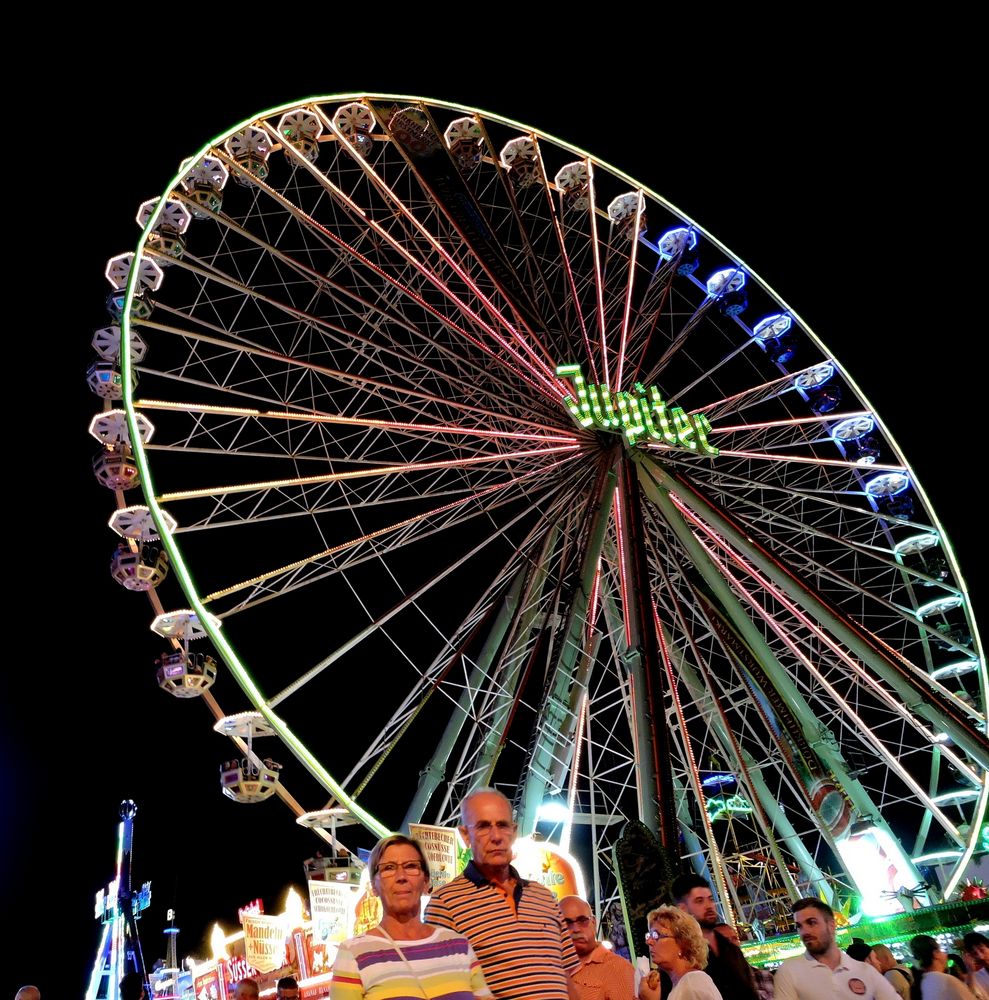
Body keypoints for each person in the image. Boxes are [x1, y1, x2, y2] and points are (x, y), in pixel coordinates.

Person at [425, 787, 581, 1000]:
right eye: (483, 827)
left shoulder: (544, 897)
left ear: (514, 831)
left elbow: (564, 978)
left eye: (503, 825)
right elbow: (443, 989)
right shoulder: (445, 903)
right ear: (465, 835)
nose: (496, 836)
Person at [331, 833, 491, 999]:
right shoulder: (353, 954)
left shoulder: (459, 946)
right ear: (374, 886)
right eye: (388, 868)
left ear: (426, 881)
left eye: (411, 866)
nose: (401, 877)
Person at [773, 897, 899, 1000]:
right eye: (799, 926)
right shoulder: (789, 971)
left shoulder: (865, 971)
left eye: (811, 922)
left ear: (831, 925)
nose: (804, 931)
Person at [670, 873, 758, 1000]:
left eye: (711, 899)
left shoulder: (731, 949)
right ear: (683, 909)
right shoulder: (682, 956)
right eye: (699, 901)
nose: (709, 906)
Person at [559, 894, 635, 1000]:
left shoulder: (617, 968)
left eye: (582, 920)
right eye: (567, 923)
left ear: (593, 923)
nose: (575, 929)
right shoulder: (550, 970)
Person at [638, 905, 722, 999]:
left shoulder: (692, 983)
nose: (648, 941)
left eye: (656, 935)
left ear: (682, 943)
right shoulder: (682, 984)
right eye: (649, 935)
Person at [713, 923, 774, 999]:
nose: (731, 943)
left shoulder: (762, 976)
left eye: (734, 938)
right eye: (724, 941)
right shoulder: (710, 983)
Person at [909, 935, 977, 999]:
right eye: (941, 950)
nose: (945, 955)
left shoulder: (924, 981)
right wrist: (971, 972)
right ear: (935, 953)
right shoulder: (946, 980)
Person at [962, 933, 989, 999]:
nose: (980, 957)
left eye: (982, 950)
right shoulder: (976, 977)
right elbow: (971, 997)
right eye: (974, 953)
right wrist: (970, 971)